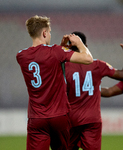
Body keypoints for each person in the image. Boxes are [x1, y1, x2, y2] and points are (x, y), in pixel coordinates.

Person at [16, 15, 93, 150]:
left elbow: (45, 60)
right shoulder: (56, 51)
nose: (50, 34)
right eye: (49, 32)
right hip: (59, 116)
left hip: (37, 118)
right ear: (44, 33)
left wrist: (61, 47)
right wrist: (79, 43)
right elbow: (88, 59)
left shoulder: (21, 56)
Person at [63, 31, 123, 150]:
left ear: (69, 46)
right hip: (92, 120)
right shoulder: (98, 65)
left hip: (71, 120)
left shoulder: (63, 66)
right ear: (85, 46)